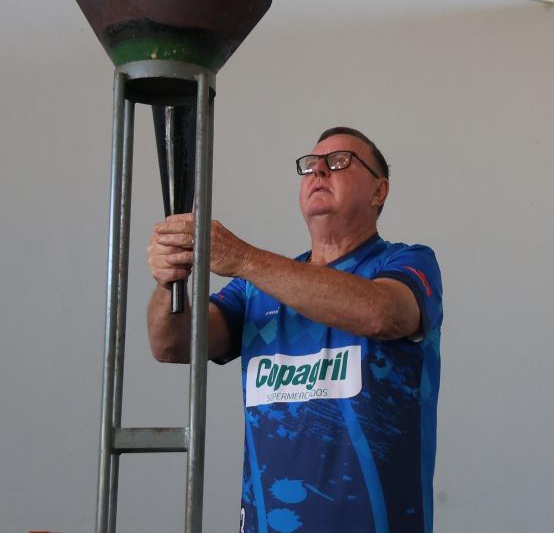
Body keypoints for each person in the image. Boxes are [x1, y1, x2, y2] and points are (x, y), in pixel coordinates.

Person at [146, 126, 443, 533]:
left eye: (339, 162)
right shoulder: (255, 290)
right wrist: (169, 283)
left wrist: (243, 258)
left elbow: (383, 313)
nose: (318, 171)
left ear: (379, 191)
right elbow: (172, 344)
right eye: (310, 165)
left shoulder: (407, 262)